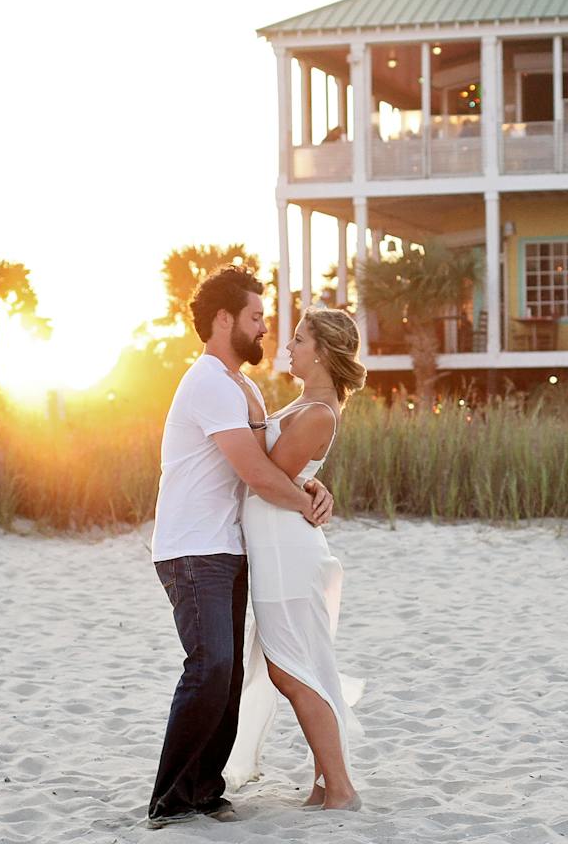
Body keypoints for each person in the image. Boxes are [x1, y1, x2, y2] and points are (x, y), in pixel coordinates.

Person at [147, 267, 335, 830]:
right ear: (224, 320)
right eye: (256, 317)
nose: (264, 329)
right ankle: (170, 799)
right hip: (191, 548)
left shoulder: (243, 386)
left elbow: (276, 463)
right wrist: (304, 503)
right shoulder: (206, 380)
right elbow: (254, 472)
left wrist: (310, 485)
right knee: (211, 667)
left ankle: (204, 790)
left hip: (227, 546)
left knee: (226, 676)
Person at [225, 307, 367, 812]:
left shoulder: (318, 413)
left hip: (287, 551)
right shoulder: (304, 406)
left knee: (292, 670)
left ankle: (341, 788)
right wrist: (310, 483)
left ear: (324, 351)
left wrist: (304, 486)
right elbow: (288, 474)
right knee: (298, 665)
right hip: (277, 547)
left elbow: (266, 476)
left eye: (301, 339)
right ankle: (326, 783)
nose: (289, 345)